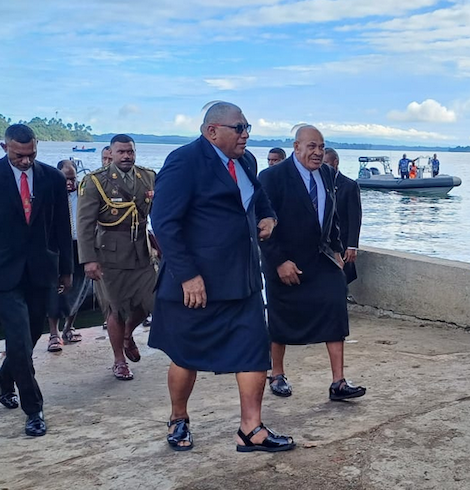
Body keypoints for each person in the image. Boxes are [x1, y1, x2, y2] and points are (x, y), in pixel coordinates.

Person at [148, 101, 294, 453]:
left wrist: (269, 219)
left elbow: (258, 200)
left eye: (247, 128)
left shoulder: (246, 161)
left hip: (241, 279)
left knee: (253, 353)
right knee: (186, 355)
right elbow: (164, 222)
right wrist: (187, 276)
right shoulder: (184, 161)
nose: (246, 135)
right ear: (212, 131)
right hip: (196, 284)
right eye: (239, 128)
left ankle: (251, 429)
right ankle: (178, 418)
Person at [259, 125, 366, 401]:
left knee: (335, 308)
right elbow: (261, 226)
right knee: (280, 320)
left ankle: (338, 382)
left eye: (321, 147)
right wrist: (279, 261)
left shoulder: (328, 174)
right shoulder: (272, 177)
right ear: (296, 147)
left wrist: (338, 250)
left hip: (321, 259)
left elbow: (333, 215)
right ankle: (277, 373)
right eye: (311, 146)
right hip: (285, 260)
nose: (318, 152)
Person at [0, 124, 73, 436]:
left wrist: (67, 269)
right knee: (19, 338)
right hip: (0, 272)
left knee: (34, 331)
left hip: (41, 269)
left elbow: (62, 225)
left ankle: (5, 375)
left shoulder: (52, 178)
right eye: (18, 155)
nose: (25, 161)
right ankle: (34, 409)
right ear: (4, 146)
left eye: (31, 155)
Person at [76, 135, 156, 381]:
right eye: (121, 152)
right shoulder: (94, 181)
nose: (126, 156)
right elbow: (85, 223)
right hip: (109, 254)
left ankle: (127, 333)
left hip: (142, 252)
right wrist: (88, 260)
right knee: (116, 309)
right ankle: (119, 360)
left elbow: (159, 212)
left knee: (153, 303)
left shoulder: (148, 176)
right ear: (111, 153)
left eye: (130, 152)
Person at [46, 160, 92, 352]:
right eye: (66, 179)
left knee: (80, 288)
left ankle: (69, 328)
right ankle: (53, 333)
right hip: (57, 247)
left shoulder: (83, 195)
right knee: (57, 290)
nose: (70, 183)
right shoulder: (51, 195)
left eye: (73, 179)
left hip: (80, 245)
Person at [324, 148, 362, 285]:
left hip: (342, 239)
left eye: (326, 163)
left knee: (341, 277)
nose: (323, 166)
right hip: (323, 241)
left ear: (335, 162)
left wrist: (352, 245)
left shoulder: (349, 185)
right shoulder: (318, 183)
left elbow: (355, 217)